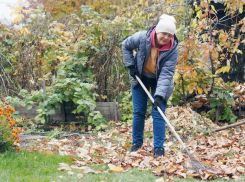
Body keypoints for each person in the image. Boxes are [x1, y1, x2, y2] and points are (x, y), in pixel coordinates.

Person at [121, 14, 178, 158]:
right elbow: (125, 46)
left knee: (158, 113)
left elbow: (167, 73)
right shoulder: (142, 38)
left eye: (169, 35)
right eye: (164, 33)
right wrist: (131, 66)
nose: (166, 37)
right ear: (158, 31)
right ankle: (136, 144)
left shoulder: (172, 48)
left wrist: (159, 95)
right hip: (140, 78)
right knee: (139, 112)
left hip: (160, 82)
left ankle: (159, 149)